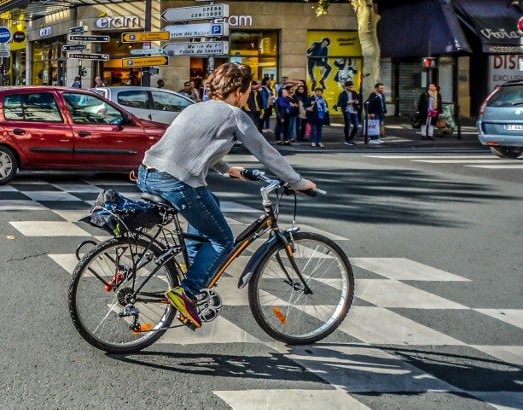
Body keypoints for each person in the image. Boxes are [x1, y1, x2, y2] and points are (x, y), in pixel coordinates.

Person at [136, 62, 317, 328]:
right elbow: (266, 152)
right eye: (248, 92)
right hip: (177, 182)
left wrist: (228, 168)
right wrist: (298, 181)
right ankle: (188, 293)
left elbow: (196, 145)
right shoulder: (234, 115)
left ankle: (194, 271)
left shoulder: (195, 107)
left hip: (147, 173)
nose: (248, 98)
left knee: (211, 206)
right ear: (239, 91)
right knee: (223, 238)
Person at [336, 80, 361, 146]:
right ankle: (347, 139)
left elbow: (359, 101)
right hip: (347, 111)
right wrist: (347, 102)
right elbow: (339, 104)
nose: (351, 88)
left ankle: (350, 138)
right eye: (350, 87)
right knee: (348, 125)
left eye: (352, 87)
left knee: (356, 126)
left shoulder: (354, 93)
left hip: (354, 111)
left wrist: (356, 102)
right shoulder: (342, 94)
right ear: (346, 87)